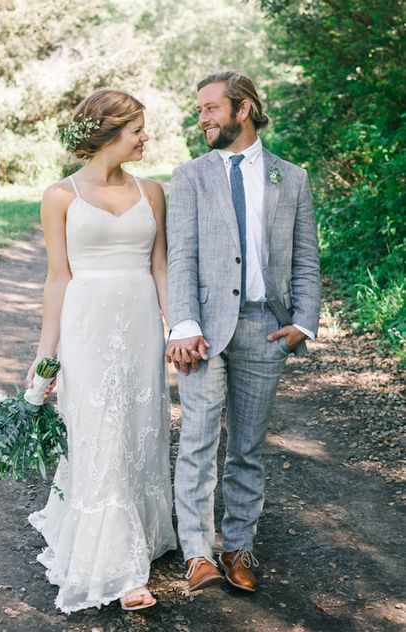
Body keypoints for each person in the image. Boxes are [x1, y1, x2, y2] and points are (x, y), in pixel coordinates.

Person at [166, 70, 321, 592]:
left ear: (244, 109)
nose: (202, 118)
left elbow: (305, 259)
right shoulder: (189, 177)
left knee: (247, 448)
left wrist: (303, 321)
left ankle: (238, 548)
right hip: (203, 333)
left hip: (265, 329)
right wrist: (183, 324)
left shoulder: (291, 177)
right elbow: (180, 257)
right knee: (197, 442)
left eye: (211, 108)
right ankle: (197, 553)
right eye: (201, 110)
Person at [26, 88, 176, 613]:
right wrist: (46, 358)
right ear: (111, 132)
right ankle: (120, 567)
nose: (145, 137)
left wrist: (175, 326)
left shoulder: (152, 190)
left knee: (137, 426)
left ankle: (139, 530)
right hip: (87, 327)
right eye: (137, 129)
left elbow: (160, 266)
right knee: (102, 431)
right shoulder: (59, 195)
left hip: (140, 325)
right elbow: (57, 278)